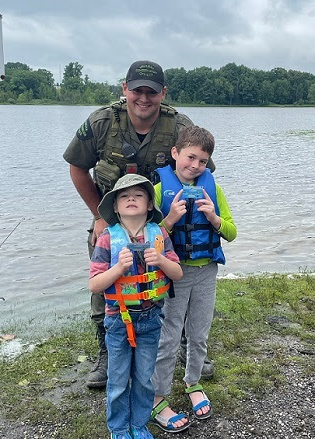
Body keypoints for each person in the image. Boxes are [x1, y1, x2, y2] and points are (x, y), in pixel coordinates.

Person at [63, 60, 215, 388]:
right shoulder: (102, 122)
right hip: (114, 220)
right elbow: (77, 168)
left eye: (151, 91)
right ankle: (107, 352)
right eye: (137, 90)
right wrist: (100, 217)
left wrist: (192, 219)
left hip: (163, 222)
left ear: (163, 93)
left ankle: (187, 346)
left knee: (179, 276)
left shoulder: (179, 126)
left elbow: (203, 167)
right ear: (125, 89)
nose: (143, 98)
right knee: (105, 277)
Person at [149, 126, 237, 432]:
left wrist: (213, 217)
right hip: (174, 273)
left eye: (202, 161)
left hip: (206, 272)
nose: (195, 165)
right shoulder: (159, 192)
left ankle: (193, 382)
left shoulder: (213, 190)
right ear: (175, 154)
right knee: (169, 335)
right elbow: (150, 239)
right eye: (190, 157)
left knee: (199, 333)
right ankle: (158, 395)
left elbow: (231, 232)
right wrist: (170, 218)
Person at [89, 174, 183, 439]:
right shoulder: (107, 239)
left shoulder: (160, 234)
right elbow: (95, 285)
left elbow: (177, 274)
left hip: (151, 319)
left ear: (150, 205)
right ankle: (118, 429)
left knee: (143, 379)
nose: (131, 198)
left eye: (139, 195)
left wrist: (162, 260)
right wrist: (118, 268)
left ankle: (139, 425)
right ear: (116, 207)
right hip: (118, 320)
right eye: (124, 196)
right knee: (118, 381)